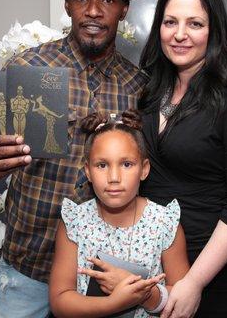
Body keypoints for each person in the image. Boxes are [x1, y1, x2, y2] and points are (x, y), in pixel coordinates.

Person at [0, 0, 149, 318]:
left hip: (102, 275)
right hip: (29, 267)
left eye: (107, 0)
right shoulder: (27, 68)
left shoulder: (139, 87)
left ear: (124, 9)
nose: (93, 10)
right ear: (67, 5)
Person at [138, 0, 227, 318]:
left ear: (214, 32)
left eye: (194, 24)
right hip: (156, 269)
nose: (180, 34)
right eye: (170, 22)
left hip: (216, 278)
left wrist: (195, 281)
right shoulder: (150, 94)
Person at [50, 109, 189, 317]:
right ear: (87, 171)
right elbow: (60, 301)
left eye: (126, 164)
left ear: (144, 169)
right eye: (102, 165)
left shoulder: (164, 223)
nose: (114, 177)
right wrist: (115, 303)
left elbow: (183, 300)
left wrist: (143, 294)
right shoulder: (75, 222)